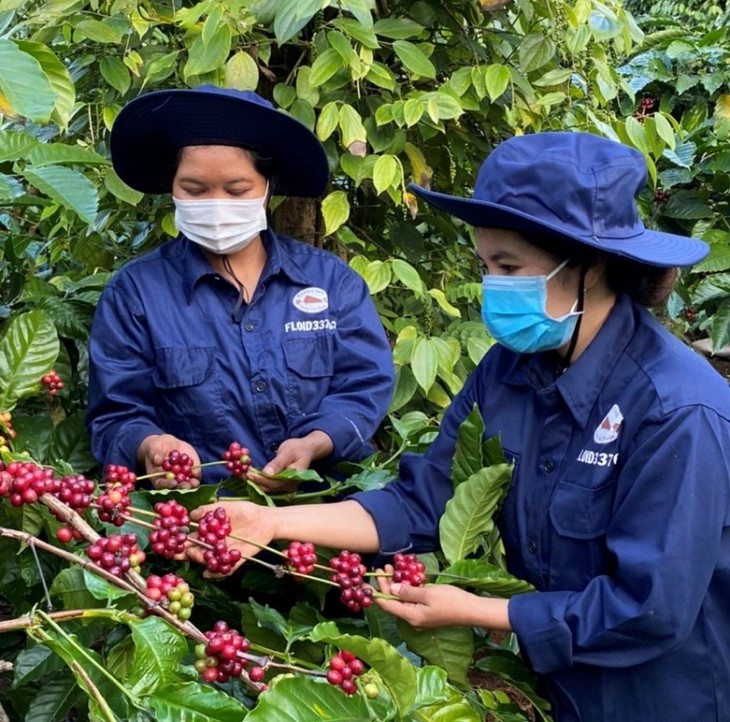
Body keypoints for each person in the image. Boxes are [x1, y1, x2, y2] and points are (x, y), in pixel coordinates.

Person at [185, 131, 730, 721]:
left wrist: (475, 611)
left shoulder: (678, 410)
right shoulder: (510, 371)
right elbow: (423, 502)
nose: (494, 284)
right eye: (486, 264)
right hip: (560, 691)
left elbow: (648, 609)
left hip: (665, 698)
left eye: (510, 266)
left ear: (590, 266)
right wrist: (269, 520)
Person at [86, 85, 395, 490]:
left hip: (326, 516)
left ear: (266, 187)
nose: (215, 204)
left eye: (236, 190)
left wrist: (315, 444)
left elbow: (364, 385)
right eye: (194, 190)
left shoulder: (331, 283)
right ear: (173, 187)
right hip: (199, 529)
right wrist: (151, 446)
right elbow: (115, 415)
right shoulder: (136, 294)